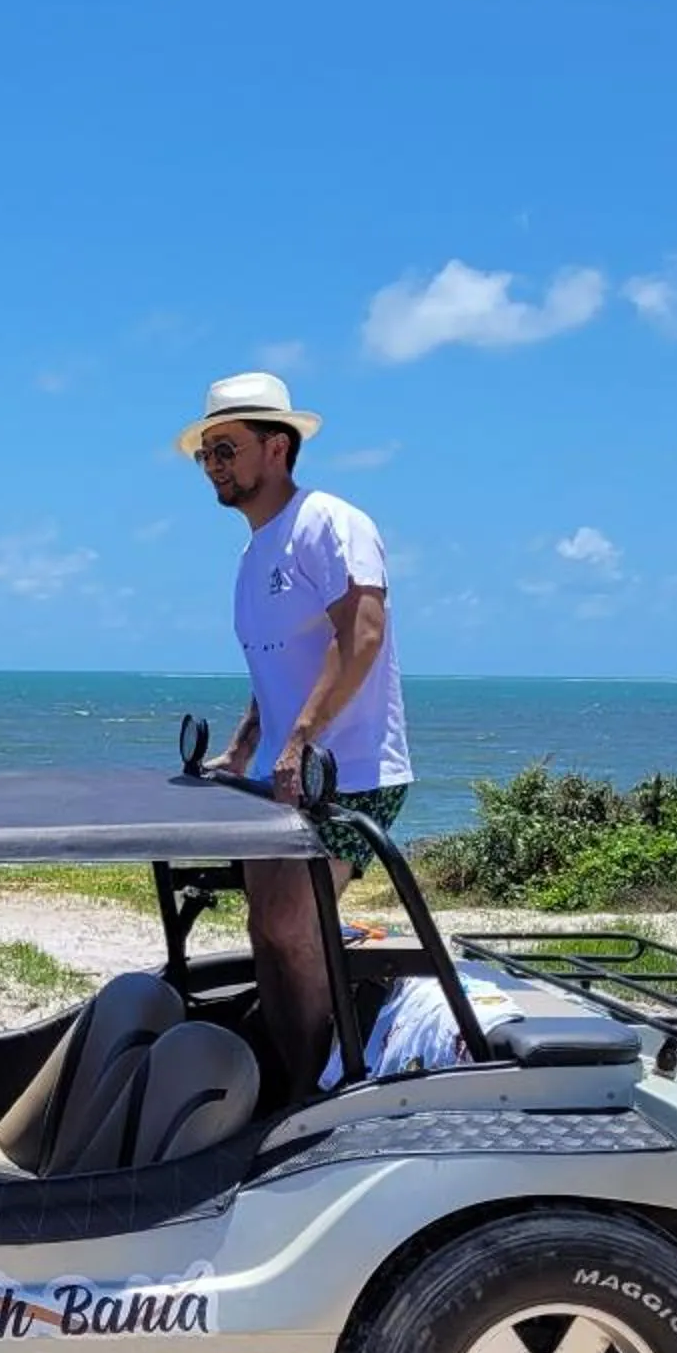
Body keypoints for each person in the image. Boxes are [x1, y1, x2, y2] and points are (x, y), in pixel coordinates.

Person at [181, 370, 413, 1091]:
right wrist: (243, 749)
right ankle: (287, 1080)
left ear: (277, 447)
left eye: (226, 449)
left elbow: (362, 634)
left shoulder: (330, 522)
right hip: (281, 776)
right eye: (206, 454)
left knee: (290, 923)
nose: (214, 466)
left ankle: (319, 1087)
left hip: (352, 772)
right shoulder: (254, 553)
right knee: (265, 928)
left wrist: (303, 738)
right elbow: (274, 668)